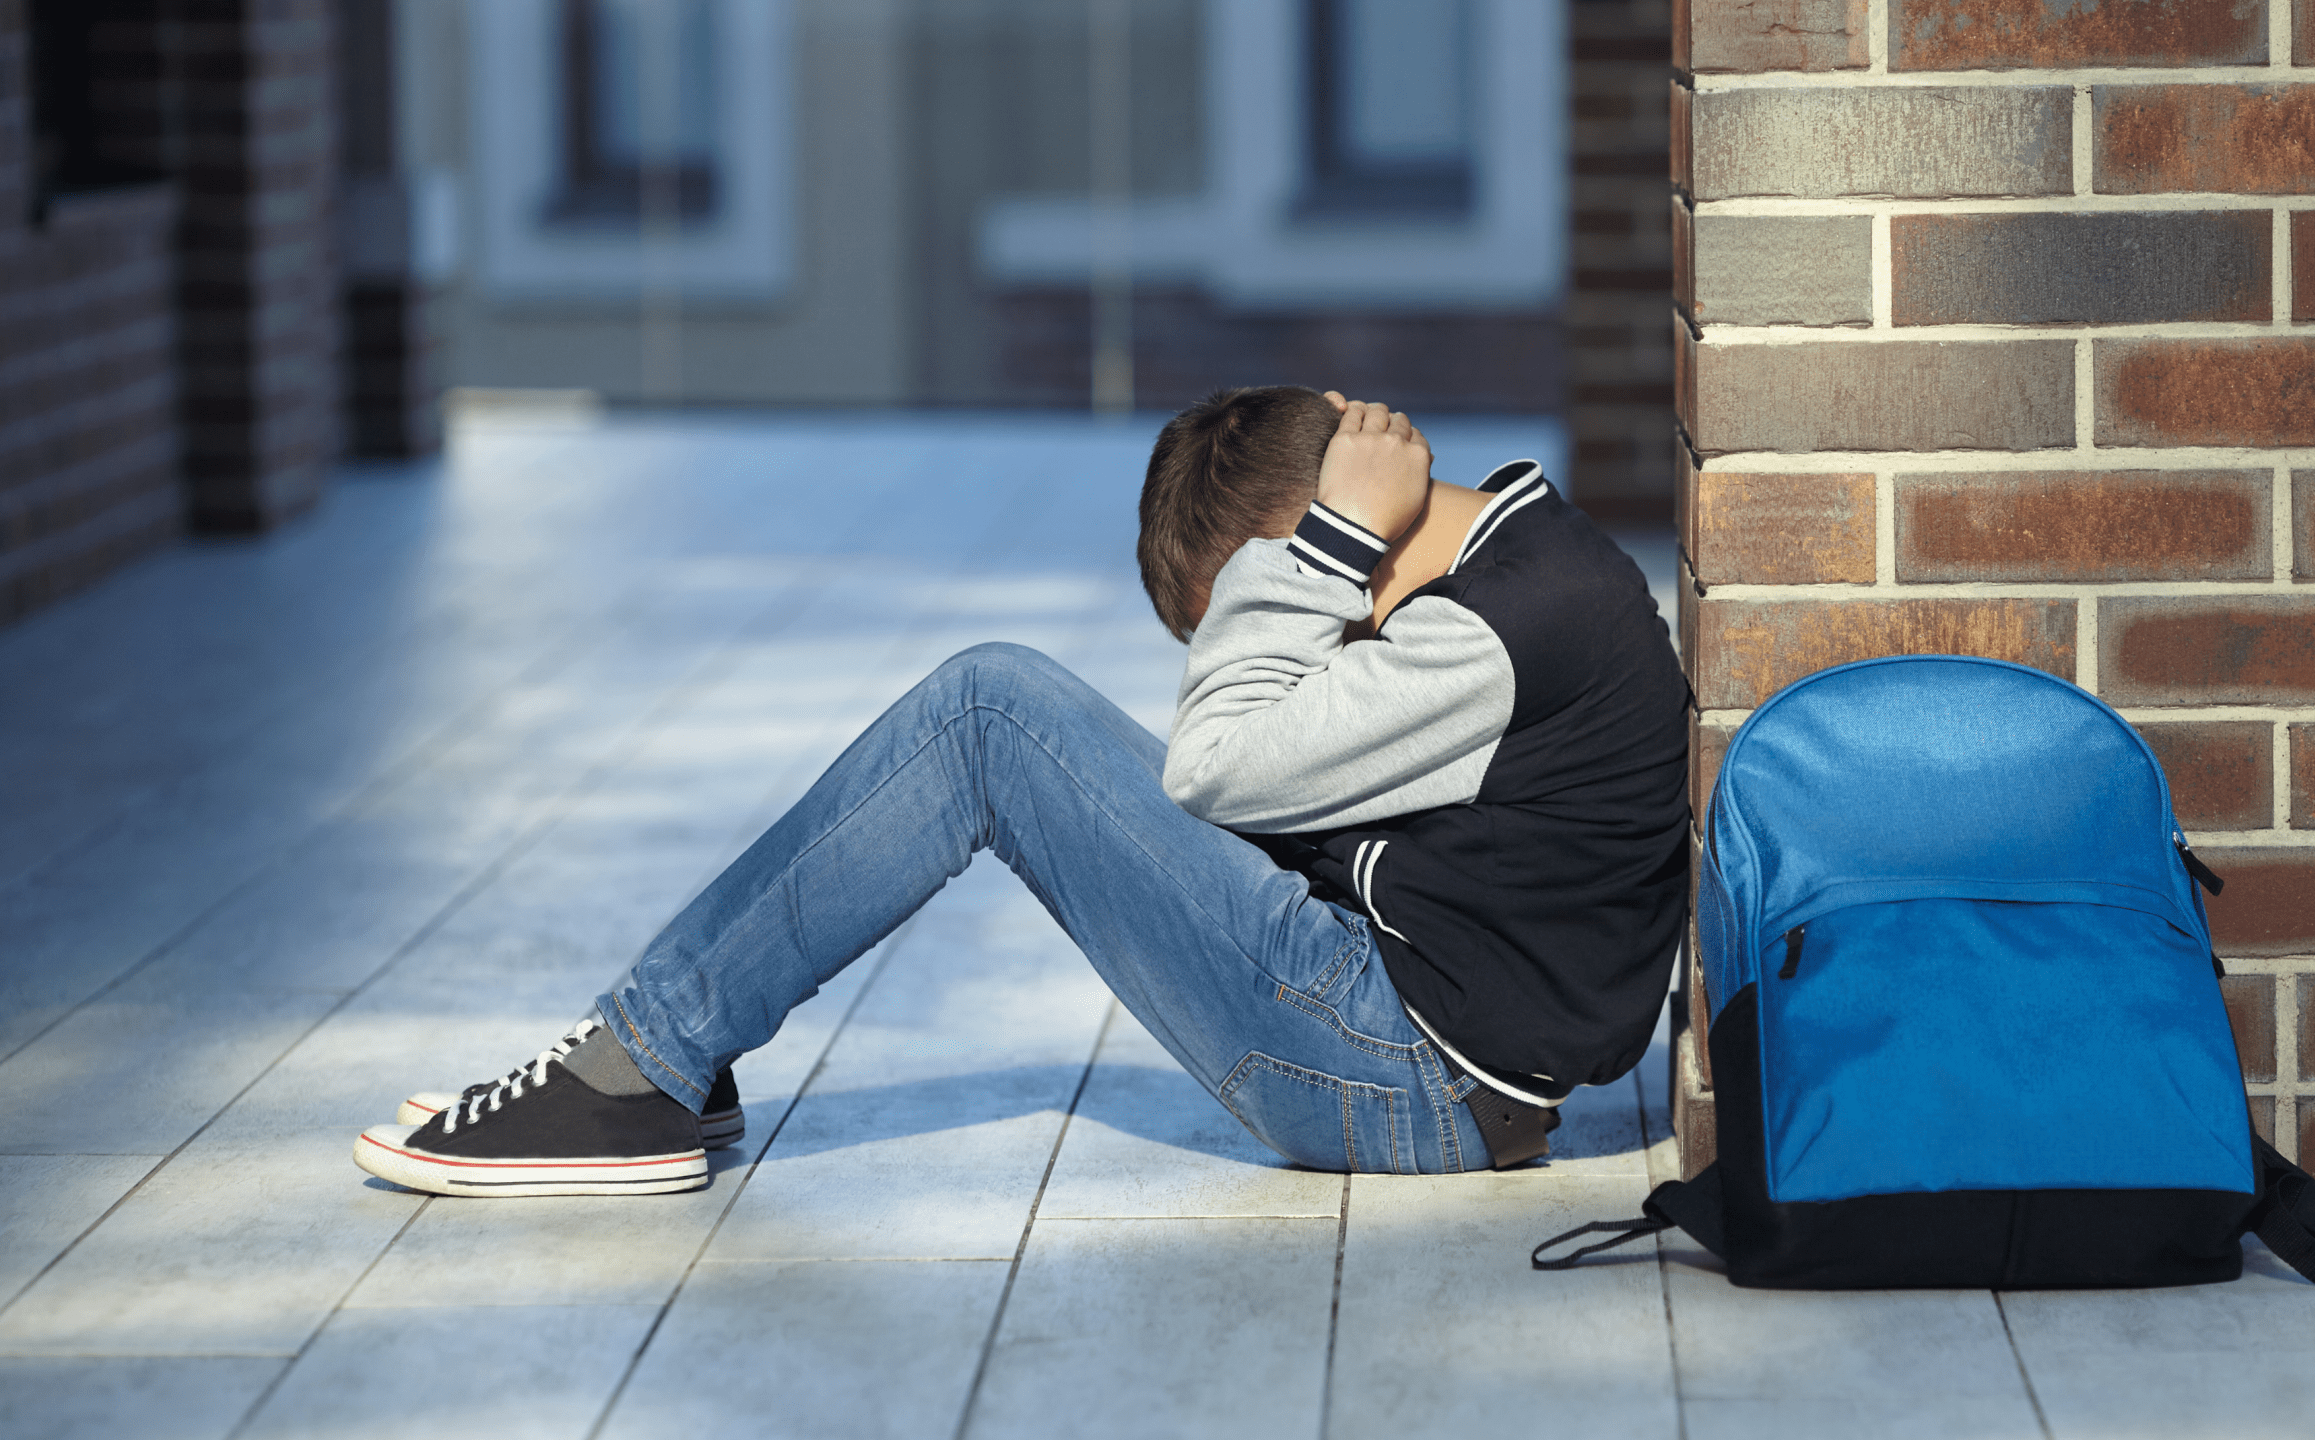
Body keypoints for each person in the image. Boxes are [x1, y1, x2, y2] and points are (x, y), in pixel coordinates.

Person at [352, 387, 1690, 1196]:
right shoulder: (1529, 576)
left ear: (1321, 545)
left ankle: (637, 1069)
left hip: (1403, 1083)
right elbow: (1250, 804)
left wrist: (1325, 547)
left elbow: (1217, 766)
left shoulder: (1489, 633)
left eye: (1272, 605)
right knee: (1016, 715)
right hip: (1430, 1055)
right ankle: (668, 1058)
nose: (1284, 635)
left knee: (991, 708)